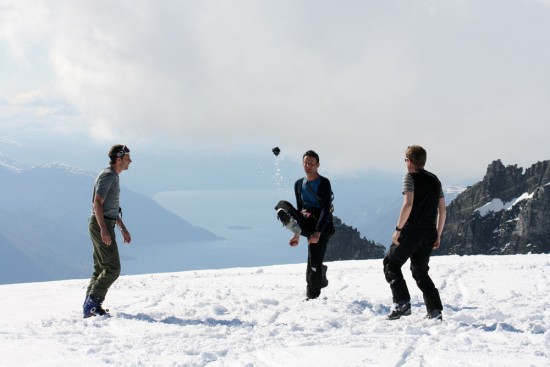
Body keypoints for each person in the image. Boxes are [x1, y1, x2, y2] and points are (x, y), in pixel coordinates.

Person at [383, 145, 446, 321]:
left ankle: (402, 303)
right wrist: (438, 234)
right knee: (420, 270)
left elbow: (408, 204)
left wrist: (398, 230)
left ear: (409, 162)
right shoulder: (435, 180)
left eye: (405, 160)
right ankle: (435, 311)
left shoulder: (409, 177)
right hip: (429, 232)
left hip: (411, 231)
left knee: (391, 263)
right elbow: (443, 210)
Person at [83, 144, 132, 318]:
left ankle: (90, 306)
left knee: (100, 268)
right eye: (127, 159)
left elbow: (111, 208)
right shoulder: (108, 176)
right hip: (100, 225)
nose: (130, 162)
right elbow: (97, 203)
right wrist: (104, 229)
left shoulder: (113, 177)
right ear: (118, 159)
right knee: (112, 268)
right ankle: (93, 305)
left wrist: (122, 228)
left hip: (103, 224)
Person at [289, 150, 334, 300]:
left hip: (322, 225)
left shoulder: (323, 183)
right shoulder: (298, 184)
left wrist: (318, 232)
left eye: (311, 163)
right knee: (283, 206)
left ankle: (313, 295)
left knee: (313, 264)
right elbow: (300, 210)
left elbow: (325, 209)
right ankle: (314, 287)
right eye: (306, 163)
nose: (308, 166)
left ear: (318, 165)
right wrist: (296, 233)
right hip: (307, 221)